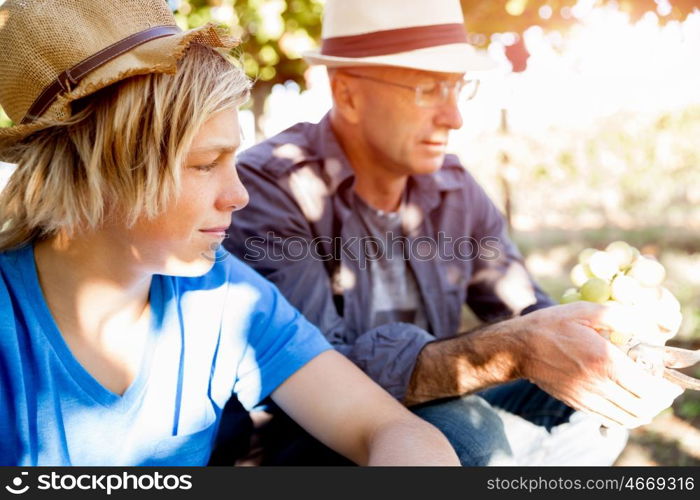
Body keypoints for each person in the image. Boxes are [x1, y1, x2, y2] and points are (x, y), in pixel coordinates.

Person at [0, 0, 460, 466]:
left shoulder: (222, 294)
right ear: (91, 171)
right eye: (204, 164)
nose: (238, 195)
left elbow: (387, 426)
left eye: (232, 161)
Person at [225, 0, 683, 465]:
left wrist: (610, 334)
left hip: (435, 406)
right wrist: (511, 350)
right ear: (347, 94)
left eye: (457, 87)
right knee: (467, 438)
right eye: (427, 88)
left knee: (588, 406)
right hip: (310, 433)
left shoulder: (456, 189)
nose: (454, 117)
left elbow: (528, 311)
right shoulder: (269, 188)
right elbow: (317, 372)